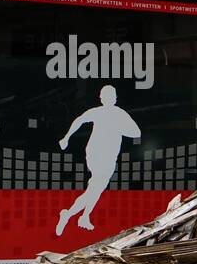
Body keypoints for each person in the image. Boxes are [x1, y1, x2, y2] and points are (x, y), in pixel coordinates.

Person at [56, 85, 141, 236]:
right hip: (96, 153)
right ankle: (72, 215)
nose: (109, 99)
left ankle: (81, 216)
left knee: (96, 189)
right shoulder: (98, 112)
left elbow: (136, 132)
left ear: (115, 98)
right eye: (106, 96)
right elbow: (79, 120)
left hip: (110, 156)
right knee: (96, 186)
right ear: (102, 98)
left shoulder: (120, 114)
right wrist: (66, 137)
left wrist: (119, 128)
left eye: (111, 96)